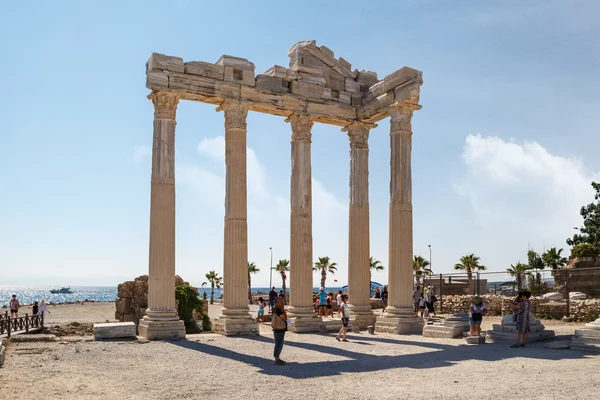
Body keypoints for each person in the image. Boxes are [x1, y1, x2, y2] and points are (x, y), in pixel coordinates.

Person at [271, 297, 288, 365]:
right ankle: (277, 359)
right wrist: (283, 310)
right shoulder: (279, 310)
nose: (283, 303)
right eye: (281, 302)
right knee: (279, 344)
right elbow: (284, 318)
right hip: (279, 328)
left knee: (278, 343)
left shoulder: (274, 309)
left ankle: (277, 358)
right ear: (278, 303)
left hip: (276, 328)